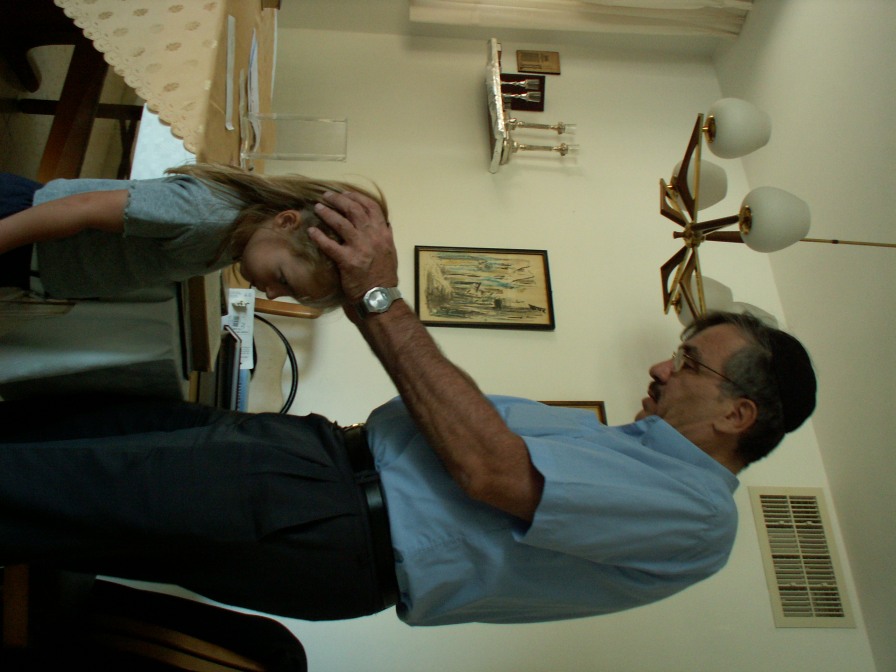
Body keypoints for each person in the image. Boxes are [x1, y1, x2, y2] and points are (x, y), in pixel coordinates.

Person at [0, 191, 817, 626]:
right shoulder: (633, 453)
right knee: (64, 444)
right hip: (317, 472)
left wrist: (380, 295)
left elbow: (489, 471)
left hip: (324, 513)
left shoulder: (697, 517)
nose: (661, 368)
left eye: (688, 364)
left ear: (737, 415)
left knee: (46, 488)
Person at [0, 165, 387, 308]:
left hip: (35, 261)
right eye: (283, 279)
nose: (271, 294)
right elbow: (80, 208)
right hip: (21, 227)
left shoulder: (237, 242)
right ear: (285, 222)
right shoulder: (204, 214)